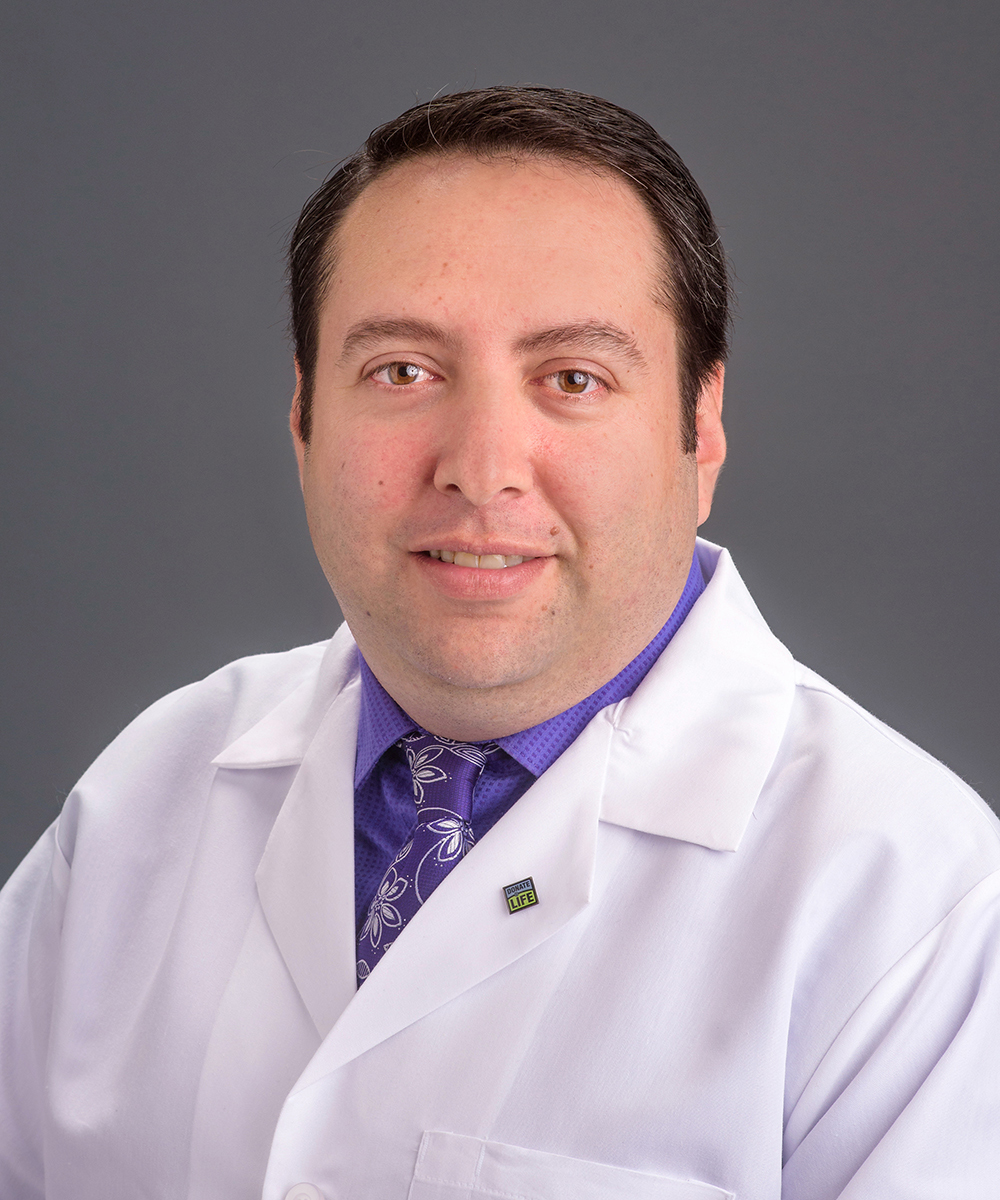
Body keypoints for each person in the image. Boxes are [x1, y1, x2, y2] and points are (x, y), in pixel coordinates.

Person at [1, 86, 997, 1200]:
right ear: (303, 417)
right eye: (403, 371)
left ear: (700, 429)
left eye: (573, 379)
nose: (480, 470)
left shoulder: (914, 905)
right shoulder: (148, 796)